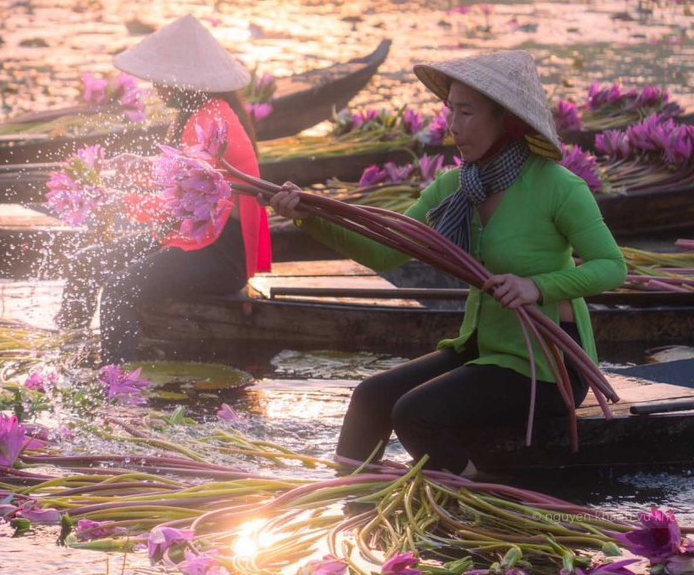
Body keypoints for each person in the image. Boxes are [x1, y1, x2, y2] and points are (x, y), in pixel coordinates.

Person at [266, 50, 627, 475]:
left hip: (544, 367)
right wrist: (310, 215)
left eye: (467, 112)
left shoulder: (558, 187)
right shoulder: (456, 186)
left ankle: (471, 506)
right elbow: (385, 250)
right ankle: (351, 501)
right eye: (450, 110)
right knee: (370, 398)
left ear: (506, 121)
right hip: (483, 348)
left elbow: (611, 267)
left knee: (416, 412)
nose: (452, 126)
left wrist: (537, 287)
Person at [58, 15, 272, 364]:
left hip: (219, 254)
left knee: (118, 290)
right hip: (192, 237)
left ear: (184, 82)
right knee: (88, 262)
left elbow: (179, 207)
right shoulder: (194, 113)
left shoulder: (210, 121)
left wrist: (122, 202)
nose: (155, 86)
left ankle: (117, 382)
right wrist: (138, 165)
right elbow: (178, 181)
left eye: (161, 80)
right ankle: (68, 352)